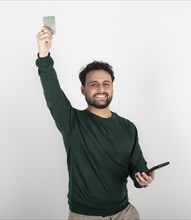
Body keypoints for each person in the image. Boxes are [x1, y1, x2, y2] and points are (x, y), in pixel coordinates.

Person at [35, 27, 155, 220]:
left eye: (106, 83)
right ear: (83, 90)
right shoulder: (71, 122)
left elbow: (137, 167)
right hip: (86, 216)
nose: (101, 88)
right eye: (94, 84)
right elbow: (53, 94)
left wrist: (143, 177)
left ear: (112, 87)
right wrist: (44, 55)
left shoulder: (128, 127)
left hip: (126, 213)